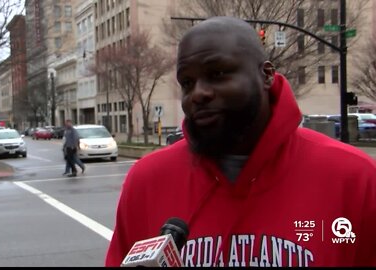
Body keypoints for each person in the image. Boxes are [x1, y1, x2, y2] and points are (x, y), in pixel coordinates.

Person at [105, 16, 376, 267]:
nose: (198, 93)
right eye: (187, 82)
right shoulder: (147, 180)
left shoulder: (354, 178)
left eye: (218, 74)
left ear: (266, 75)